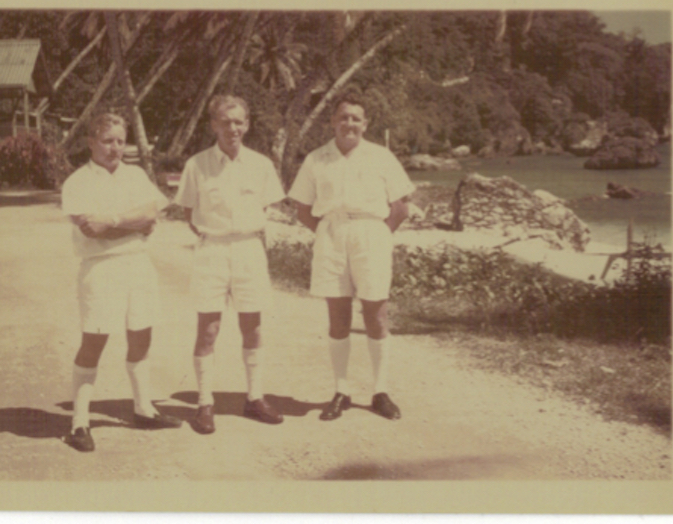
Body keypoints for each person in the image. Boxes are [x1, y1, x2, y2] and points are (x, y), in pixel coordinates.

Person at [288, 92, 415, 421]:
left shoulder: (381, 156)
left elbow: (401, 206)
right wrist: (328, 232)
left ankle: (380, 391)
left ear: (365, 124)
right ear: (332, 121)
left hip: (371, 234)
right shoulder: (317, 159)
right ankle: (341, 391)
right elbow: (302, 209)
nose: (349, 124)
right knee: (338, 317)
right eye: (343, 117)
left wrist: (381, 233)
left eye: (356, 118)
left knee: (376, 314)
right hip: (331, 235)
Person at [61, 113, 182, 452]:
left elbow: (152, 215)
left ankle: (144, 410)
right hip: (100, 269)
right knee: (94, 341)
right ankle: (79, 423)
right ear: (91, 142)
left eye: (119, 140)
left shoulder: (136, 175)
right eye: (107, 140)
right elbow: (90, 229)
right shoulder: (77, 182)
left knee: (141, 334)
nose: (114, 148)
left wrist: (112, 221)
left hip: (138, 265)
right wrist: (134, 223)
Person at [174, 95, 285, 434]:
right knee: (208, 329)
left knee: (252, 327)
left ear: (247, 124)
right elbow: (189, 213)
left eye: (238, 121)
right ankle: (204, 404)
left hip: (250, 248)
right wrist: (217, 235)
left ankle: (254, 398)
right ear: (213, 125)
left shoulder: (262, 165)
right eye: (225, 121)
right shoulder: (197, 165)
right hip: (212, 250)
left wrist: (241, 235)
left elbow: (266, 208)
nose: (232, 128)